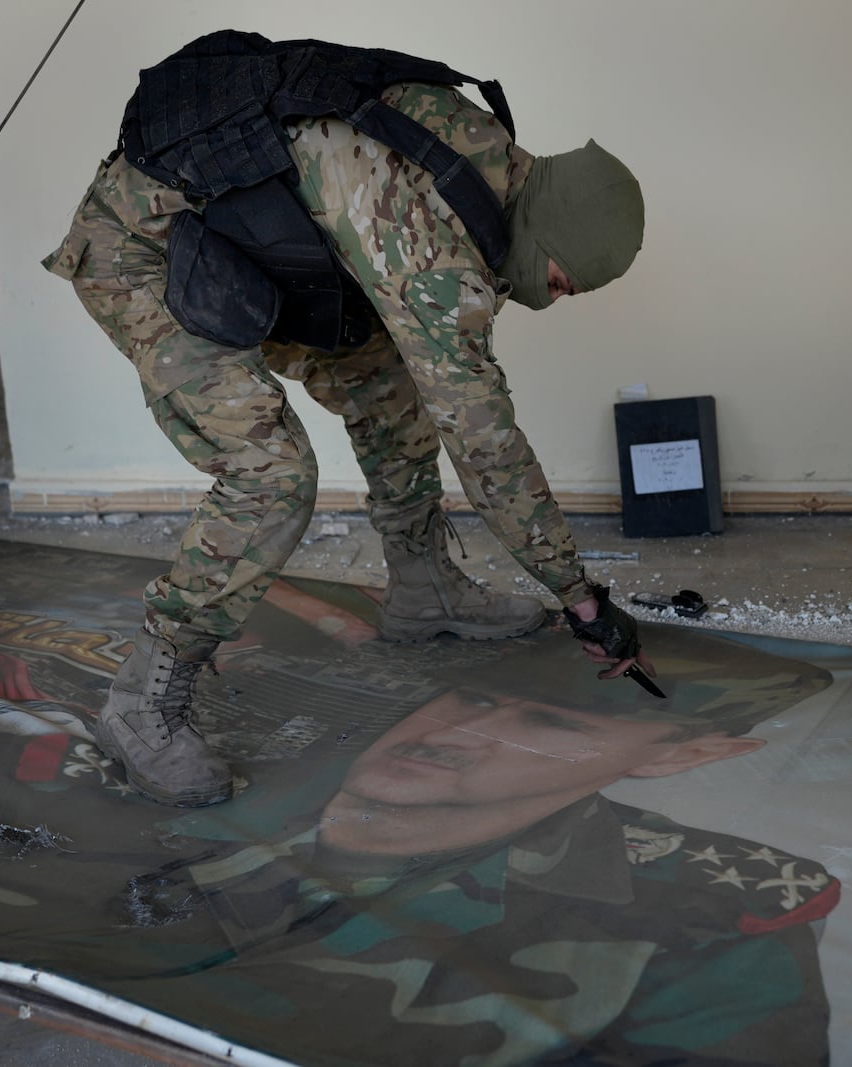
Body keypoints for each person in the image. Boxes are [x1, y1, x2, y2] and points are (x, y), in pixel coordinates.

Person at [41, 28, 652, 808]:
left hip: (250, 246)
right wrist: (580, 595)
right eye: (564, 281)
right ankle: (144, 698)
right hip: (144, 252)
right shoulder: (432, 247)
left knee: (385, 380)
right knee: (271, 475)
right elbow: (483, 436)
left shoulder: (480, 150)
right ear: (552, 231)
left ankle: (422, 585)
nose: (553, 296)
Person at [148, 626, 842, 1065]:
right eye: (472, 700)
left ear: (681, 754)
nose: (452, 735)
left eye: (548, 722)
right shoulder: (208, 770)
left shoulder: (704, 915)